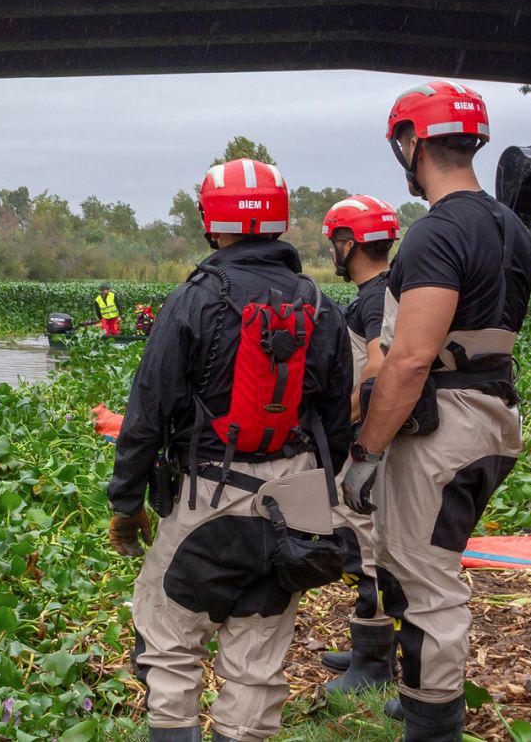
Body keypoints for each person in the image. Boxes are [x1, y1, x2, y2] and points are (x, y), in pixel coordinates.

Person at [107, 158, 355, 742]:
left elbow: (147, 413)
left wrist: (127, 502)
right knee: (259, 652)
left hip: (208, 498)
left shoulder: (194, 299)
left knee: (169, 639)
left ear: (211, 223)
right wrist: (323, 496)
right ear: (278, 221)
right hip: (293, 503)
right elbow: (336, 419)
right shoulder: (319, 304)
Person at [343, 81, 531, 740]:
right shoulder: (512, 228)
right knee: (423, 566)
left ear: (410, 143)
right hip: (495, 416)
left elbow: (410, 360)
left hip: (445, 426)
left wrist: (366, 451)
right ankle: (423, 697)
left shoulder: (435, 234)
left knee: (425, 580)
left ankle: (435, 726)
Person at [317, 195, 401, 692]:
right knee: (368, 541)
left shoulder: (375, 296)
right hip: (376, 438)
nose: (332, 251)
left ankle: (373, 664)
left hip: (368, 440)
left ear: (349, 244)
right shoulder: (390, 289)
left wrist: (339, 418)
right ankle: (371, 642)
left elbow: (379, 365)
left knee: (364, 545)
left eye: (334, 242)